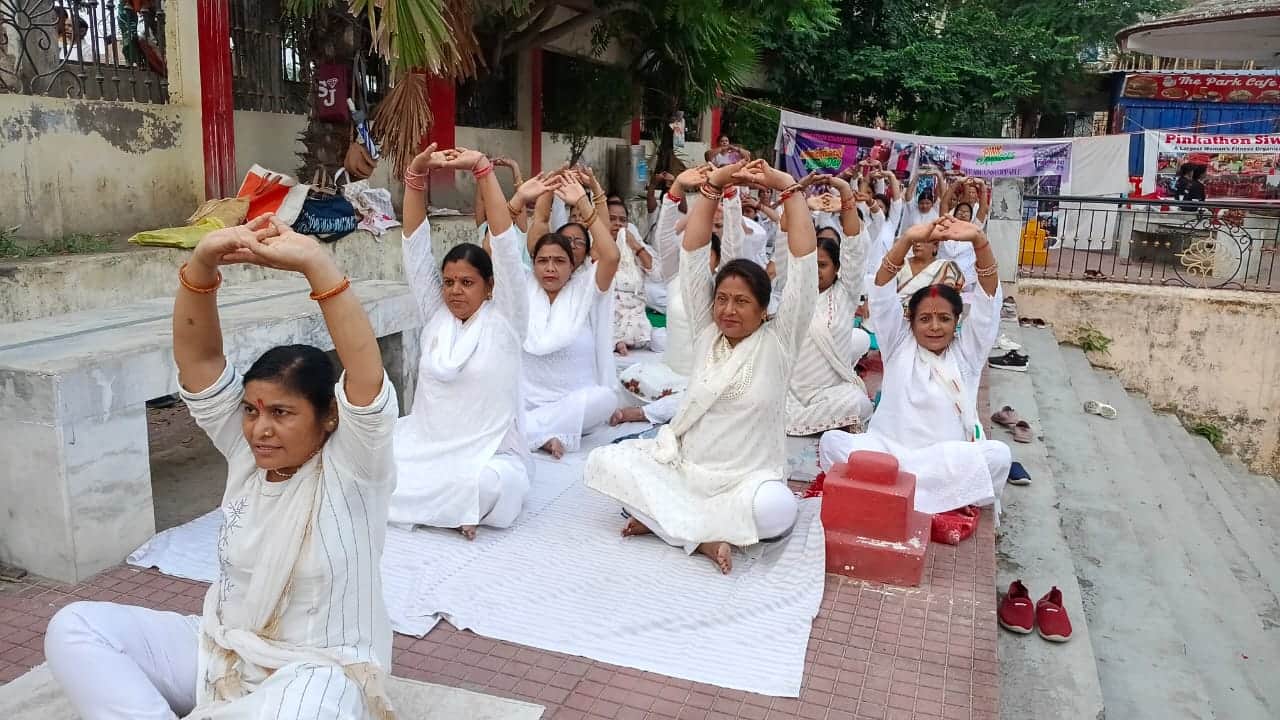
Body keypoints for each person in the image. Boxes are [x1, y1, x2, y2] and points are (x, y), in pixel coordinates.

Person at [45, 214, 398, 719]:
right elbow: (201, 361)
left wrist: (317, 263)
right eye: (252, 411)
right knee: (75, 626)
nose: (259, 429)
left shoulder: (356, 463)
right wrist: (202, 261)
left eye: (281, 413)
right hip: (223, 650)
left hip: (319, 672)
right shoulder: (247, 452)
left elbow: (365, 371)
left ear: (329, 417)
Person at [585, 158, 818, 575]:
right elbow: (693, 255)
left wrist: (788, 187)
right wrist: (715, 185)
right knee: (608, 461)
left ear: (765, 311)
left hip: (746, 481)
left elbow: (803, 266)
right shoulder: (707, 332)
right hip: (687, 473)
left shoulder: (780, 340)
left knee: (778, 510)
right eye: (722, 299)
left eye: (742, 301)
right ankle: (703, 537)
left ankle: (670, 525)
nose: (729, 310)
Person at [389, 145, 550, 540]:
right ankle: (452, 508)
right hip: (428, 447)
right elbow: (413, 246)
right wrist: (415, 176)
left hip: (488, 454)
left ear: (489, 286)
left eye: (466, 283)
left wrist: (482, 170)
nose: (455, 291)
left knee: (495, 486)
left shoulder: (507, 319)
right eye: (448, 282)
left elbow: (506, 244)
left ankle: (456, 504)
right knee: (369, 463)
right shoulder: (437, 317)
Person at [818, 217, 1011, 516]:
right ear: (911, 320)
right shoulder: (898, 343)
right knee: (832, 443)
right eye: (925, 319)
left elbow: (988, 303)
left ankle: (894, 494)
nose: (934, 327)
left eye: (944, 319)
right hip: (887, 453)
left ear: (957, 322)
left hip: (942, 461)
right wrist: (906, 239)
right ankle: (927, 498)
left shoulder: (967, 354)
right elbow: (881, 291)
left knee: (999, 456)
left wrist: (979, 241)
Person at [522, 171, 622, 459]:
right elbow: (538, 226)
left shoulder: (586, 287)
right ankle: (540, 432)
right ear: (534, 263)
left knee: (604, 399)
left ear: (574, 264)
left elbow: (611, 256)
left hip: (575, 404)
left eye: (559, 260)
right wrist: (545, 190)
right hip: (527, 401)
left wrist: (585, 199)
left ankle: (524, 431)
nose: (551, 268)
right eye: (543, 261)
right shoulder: (524, 287)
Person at [785, 174, 874, 436]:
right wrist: (797, 192)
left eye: (822, 265)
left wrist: (846, 192)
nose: (815, 271)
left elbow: (854, 248)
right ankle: (802, 421)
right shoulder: (795, 290)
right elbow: (786, 234)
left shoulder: (845, 293)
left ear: (837, 268)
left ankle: (794, 422)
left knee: (857, 403)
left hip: (829, 392)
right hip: (789, 388)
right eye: (810, 264)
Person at [607, 198, 657, 355]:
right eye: (612, 219)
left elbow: (654, 272)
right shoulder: (595, 247)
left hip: (637, 318)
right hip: (609, 315)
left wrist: (635, 246)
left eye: (623, 220)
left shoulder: (632, 246)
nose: (618, 224)